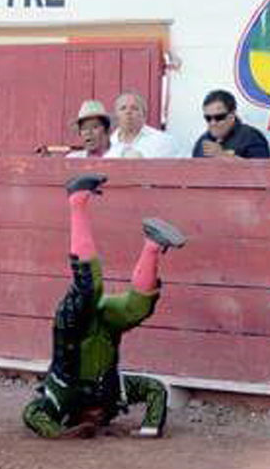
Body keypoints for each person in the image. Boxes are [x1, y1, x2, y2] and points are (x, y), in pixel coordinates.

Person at [22, 173, 185, 440]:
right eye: (101, 418)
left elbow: (31, 414)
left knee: (88, 287)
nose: (97, 418)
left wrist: (62, 434)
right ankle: (153, 245)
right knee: (138, 308)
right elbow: (155, 389)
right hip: (107, 324)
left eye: (94, 417)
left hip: (74, 326)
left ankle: (77, 200)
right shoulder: (114, 393)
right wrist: (150, 428)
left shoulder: (59, 397)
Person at [192, 89, 270, 159]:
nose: (213, 123)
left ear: (232, 115)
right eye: (208, 118)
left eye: (219, 117)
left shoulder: (251, 137)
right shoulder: (202, 141)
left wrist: (224, 155)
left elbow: (262, 171)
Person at [103, 91, 182, 158]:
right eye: (123, 108)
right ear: (116, 115)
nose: (128, 112)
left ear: (144, 115)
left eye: (134, 108)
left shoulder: (163, 141)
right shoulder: (105, 146)